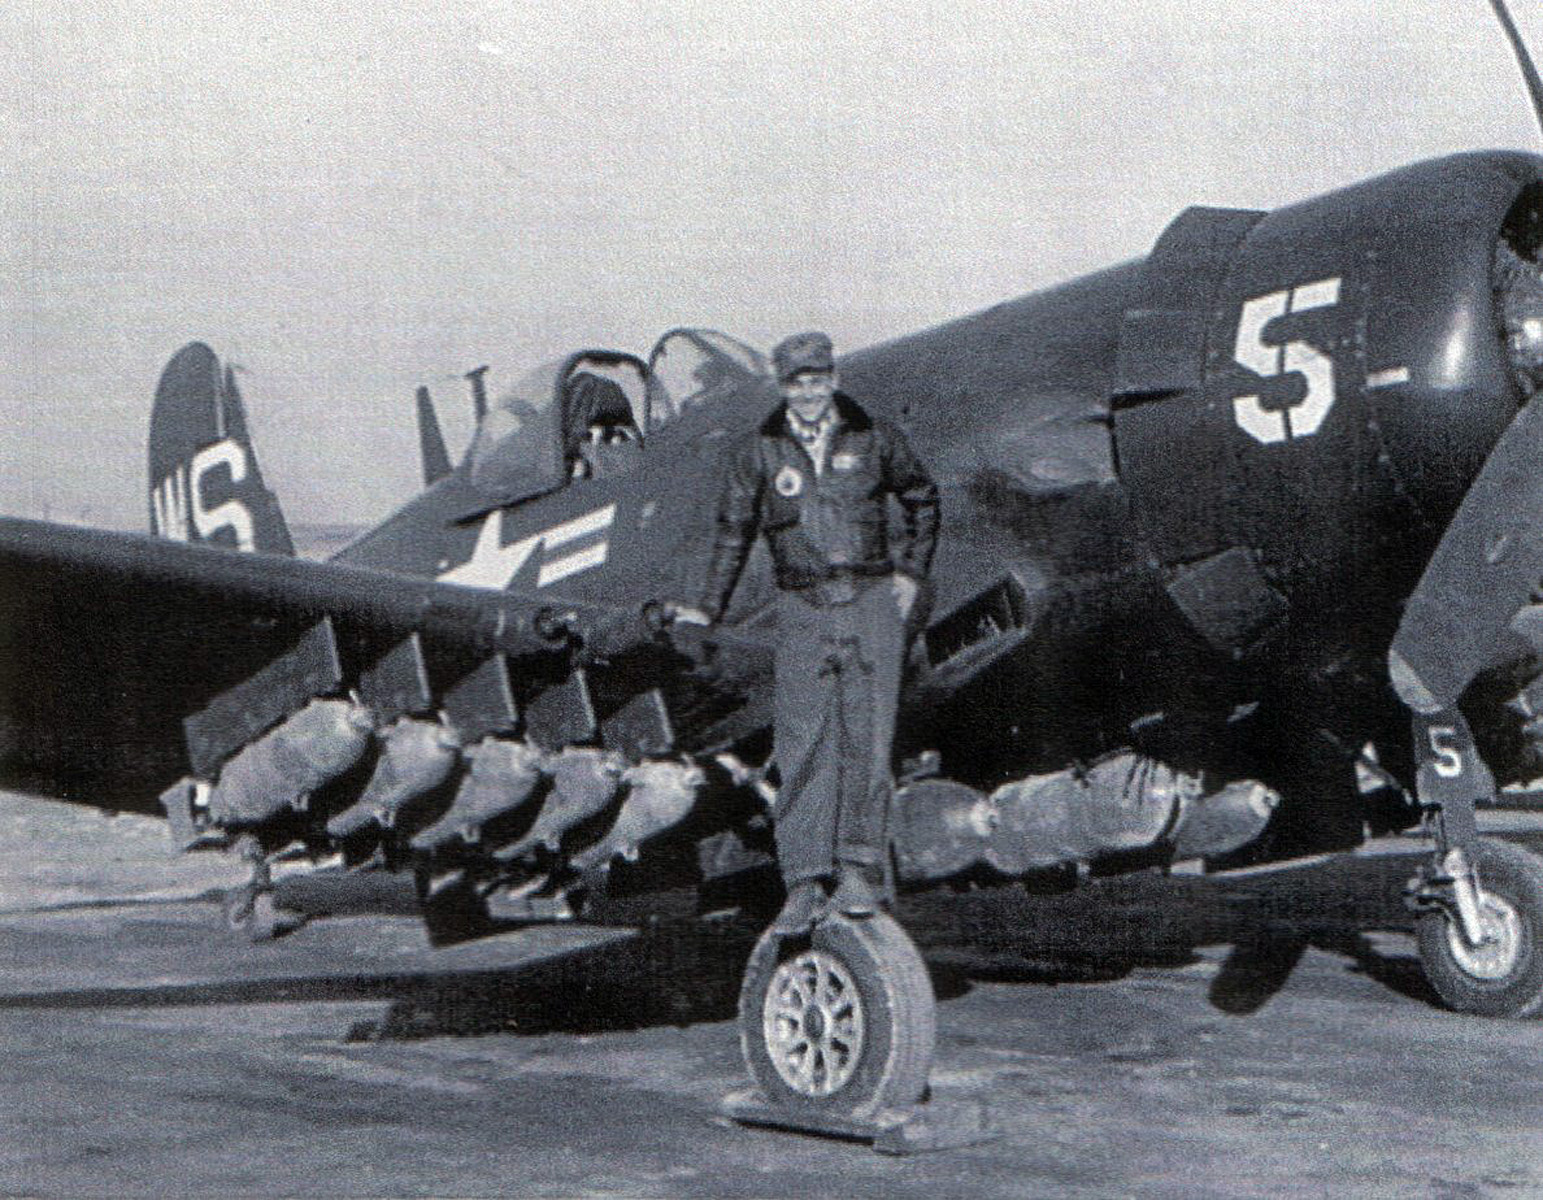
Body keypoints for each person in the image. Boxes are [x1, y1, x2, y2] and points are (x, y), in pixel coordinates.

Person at [671, 331, 939, 934]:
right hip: (803, 605)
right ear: (783, 386)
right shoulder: (759, 451)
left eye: (818, 378)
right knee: (804, 745)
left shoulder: (874, 437)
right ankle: (803, 881)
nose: (810, 391)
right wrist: (708, 611)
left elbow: (923, 497)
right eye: (798, 381)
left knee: (867, 743)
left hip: (869, 598)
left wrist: (910, 575)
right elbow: (733, 534)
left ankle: (857, 876)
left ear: (833, 380)